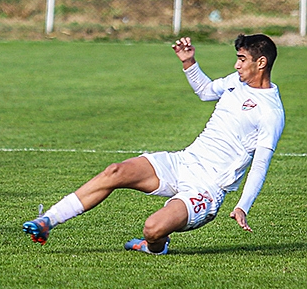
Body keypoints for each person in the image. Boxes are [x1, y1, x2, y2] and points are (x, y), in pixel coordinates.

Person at [22, 35, 284, 254]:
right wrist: (189, 62)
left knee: (153, 228)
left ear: (261, 62)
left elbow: (260, 164)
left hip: (208, 188)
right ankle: (48, 221)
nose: (237, 65)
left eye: (242, 59)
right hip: (183, 162)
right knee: (116, 171)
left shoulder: (270, 112)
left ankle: (155, 246)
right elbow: (205, 91)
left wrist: (242, 206)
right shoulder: (235, 82)